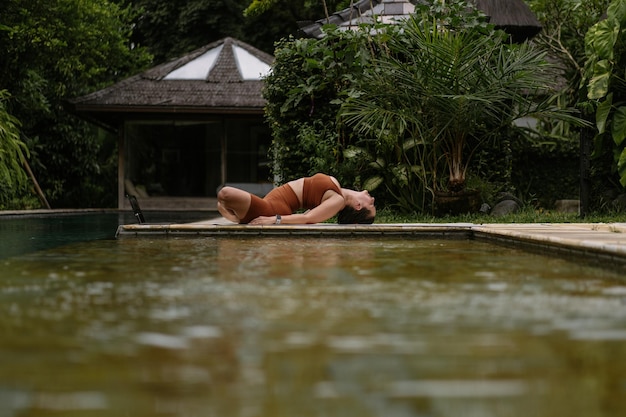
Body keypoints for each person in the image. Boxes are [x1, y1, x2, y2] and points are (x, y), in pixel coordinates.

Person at [217, 173, 375, 225]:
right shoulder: (338, 194)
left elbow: (308, 218)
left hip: (274, 210)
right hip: (272, 202)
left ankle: (237, 218)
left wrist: (275, 220)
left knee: (225, 193)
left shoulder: (338, 201)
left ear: (358, 206)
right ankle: (238, 219)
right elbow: (313, 212)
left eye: (372, 204)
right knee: (223, 200)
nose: (372, 198)